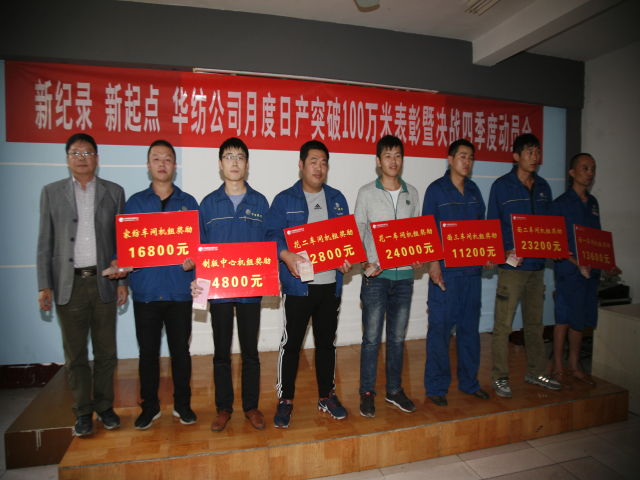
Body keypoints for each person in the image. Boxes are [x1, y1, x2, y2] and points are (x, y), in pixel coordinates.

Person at [37, 133, 128, 436]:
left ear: (97, 159)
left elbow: (122, 242)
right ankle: (83, 412)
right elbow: (45, 242)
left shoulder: (114, 192)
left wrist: (123, 281)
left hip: (104, 283)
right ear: (67, 159)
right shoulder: (51, 192)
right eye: (75, 153)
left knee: (106, 353)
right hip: (69, 284)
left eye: (87, 152)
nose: (82, 157)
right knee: (75, 355)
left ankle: (105, 407)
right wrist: (44, 285)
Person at [266, 140, 352, 428]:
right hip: (298, 287)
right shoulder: (284, 199)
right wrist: (286, 254)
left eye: (324, 162)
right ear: (301, 164)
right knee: (292, 344)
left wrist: (346, 259)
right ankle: (285, 399)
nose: (319, 167)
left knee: (327, 344)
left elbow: (345, 240)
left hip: (330, 286)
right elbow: (271, 235)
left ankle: (327, 396)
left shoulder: (337, 198)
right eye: (314, 161)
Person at [190, 137, 270, 432]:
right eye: (229, 157)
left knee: (250, 352)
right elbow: (199, 249)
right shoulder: (208, 204)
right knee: (221, 352)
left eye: (239, 157)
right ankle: (223, 408)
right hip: (219, 293)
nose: (234, 162)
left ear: (247, 164)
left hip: (250, 291)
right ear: (220, 164)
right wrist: (197, 284)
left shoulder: (260, 202)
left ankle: (251, 406)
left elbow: (269, 244)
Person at [119, 140, 198, 429]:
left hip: (179, 292)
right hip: (146, 292)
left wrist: (193, 261)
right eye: (156, 158)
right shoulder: (135, 203)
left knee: (181, 353)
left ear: (174, 166)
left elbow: (199, 247)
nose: (162, 164)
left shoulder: (188, 203)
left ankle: (182, 404)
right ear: (148, 165)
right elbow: (124, 247)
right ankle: (149, 406)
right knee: (148, 354)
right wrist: (122, 274)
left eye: (167, 159)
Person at [487, 133, 562, 398]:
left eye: (537, 152)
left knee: (534, 324)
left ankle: (536, 371)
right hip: (512, 268)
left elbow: (549, 227)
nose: (534, 157)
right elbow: (492, 226)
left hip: (537, 267)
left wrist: (556, 248)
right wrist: (501, 252)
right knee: (503, 325)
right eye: (529, 152)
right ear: (516, 156)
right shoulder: (501, 186)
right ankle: (500, 376)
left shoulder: (543, 187)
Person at [354, 134, 422, 418]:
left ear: (402, 160)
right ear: (378, 161)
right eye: (387, 156)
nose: (393, 161)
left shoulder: (412, 193)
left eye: (398, 155)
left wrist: (418, 253)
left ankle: (394, 390)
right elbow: (358, 232)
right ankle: (367, 392)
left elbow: (416, 233)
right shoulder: (366, 192)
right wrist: (364, 261)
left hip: (404, 278)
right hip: (376, 278)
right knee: (371, 338)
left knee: (396, 338)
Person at [422, 139, 492, 407]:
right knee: (439, 331)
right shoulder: (436, 190)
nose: (467, 162)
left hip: (472, 275)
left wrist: (488, 253)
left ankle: (469, 382)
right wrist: (433, 263)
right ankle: (436, 387)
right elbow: (428, 229)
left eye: (471, 157)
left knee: (469, 330)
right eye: (462, 156)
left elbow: (482, 230)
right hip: (446, 274)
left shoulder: (474, 191)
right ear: (450, 160)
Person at [550, 153, 621, 389]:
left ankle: (574, 366)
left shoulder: (593, 204)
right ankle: (558, 367)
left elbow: (596, 239)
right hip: (569, 271)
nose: (590, 173)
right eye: (585, 168)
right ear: (572, 173)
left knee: (579, 320)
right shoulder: (560, 204)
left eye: (593, 168)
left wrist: (607, 263)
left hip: (590, 273)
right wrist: (575, 262)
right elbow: (555, 243)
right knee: (563, 319)